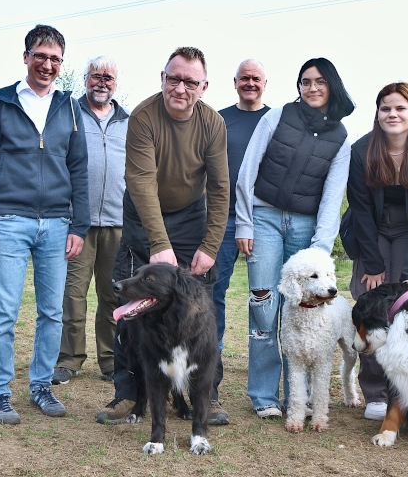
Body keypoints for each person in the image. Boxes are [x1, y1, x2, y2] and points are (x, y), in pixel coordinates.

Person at [95, 46, 231, 426]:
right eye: (174, 79)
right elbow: (140, 182)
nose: (180, 88)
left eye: (190, 81)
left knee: (203, 304)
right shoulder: (143, 116)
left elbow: (220, 189)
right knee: (129, 303)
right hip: (143, 213)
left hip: (190, 215)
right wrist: (159, 245)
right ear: (163, 78)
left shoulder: (213, 124)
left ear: (204, 86)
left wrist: (209, 246)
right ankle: (127, 394)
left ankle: (205, 391)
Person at [0, 24, 89, 424]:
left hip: (56, 224)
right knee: (3, 313)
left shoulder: (69, 107)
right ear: (26, 57)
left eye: (55, 58)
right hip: (7, 221)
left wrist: (79, 226)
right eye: (40, 55)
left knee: (52, 312)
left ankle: (41, 386)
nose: (48, 64)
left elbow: (79, 169)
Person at [235, 57, 355, 418]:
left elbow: (333, 198)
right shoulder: (277, 117)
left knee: (303, 311)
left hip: (305, 227)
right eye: (305, 81)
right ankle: (263, 395)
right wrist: (244, 223)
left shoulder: (341, 138)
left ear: (331, 86)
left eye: (319, 81)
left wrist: (320, 249)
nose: (312, 88)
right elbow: (248, 170)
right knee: (264, 304)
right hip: (265, 218)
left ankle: (297, 397)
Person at [343, 81, 408, 421]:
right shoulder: (361, 152)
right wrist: (372, 265)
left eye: (400, 108)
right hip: (371, 229)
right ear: (377, 114)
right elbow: (359, 210)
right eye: (385, 108)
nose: (392, 114)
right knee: (369, 297)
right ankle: (375, 392)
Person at [52, 56, 129, 385]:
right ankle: (69, 360)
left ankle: (111, 361)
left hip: (118, 223)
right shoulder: (68, 113)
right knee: (73, 295)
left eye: (108, 78)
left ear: (116, 83)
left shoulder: (130, 121)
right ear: (85, 79)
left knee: (113, 297)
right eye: (96, 76)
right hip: (77, 224)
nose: (102, 82)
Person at [213, 60, 270, 349]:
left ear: (265, 84)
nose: (250, 83)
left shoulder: (276, 121)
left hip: (263, 220)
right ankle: (211, 351)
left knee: (264, 294)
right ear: (234, 82)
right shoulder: (218, 120)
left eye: (256, 78)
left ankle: (265, 352)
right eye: (244, 78)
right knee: (214, 290)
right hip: (222, 218)